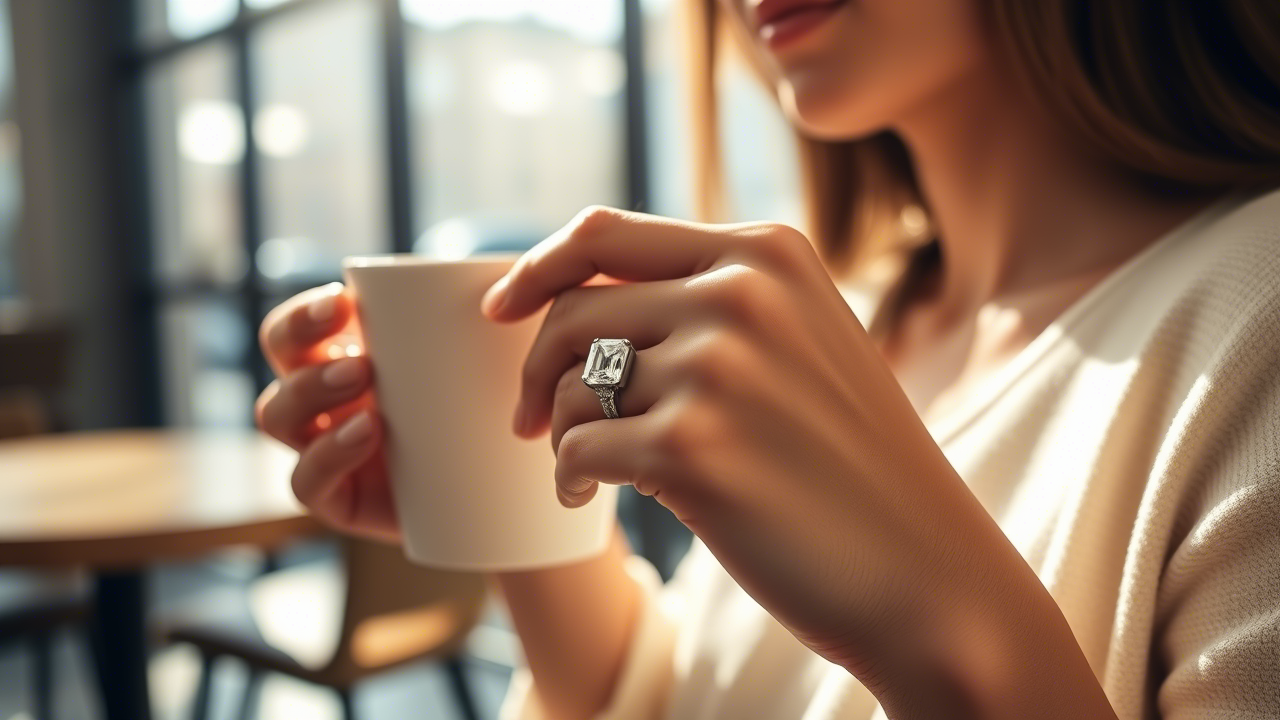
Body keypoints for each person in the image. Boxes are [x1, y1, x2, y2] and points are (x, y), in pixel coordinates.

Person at [254, 0, 1280, 717]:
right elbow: (682, 699)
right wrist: (496, 486)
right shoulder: (852, 309)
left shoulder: (1253, 314)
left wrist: (941, 627)